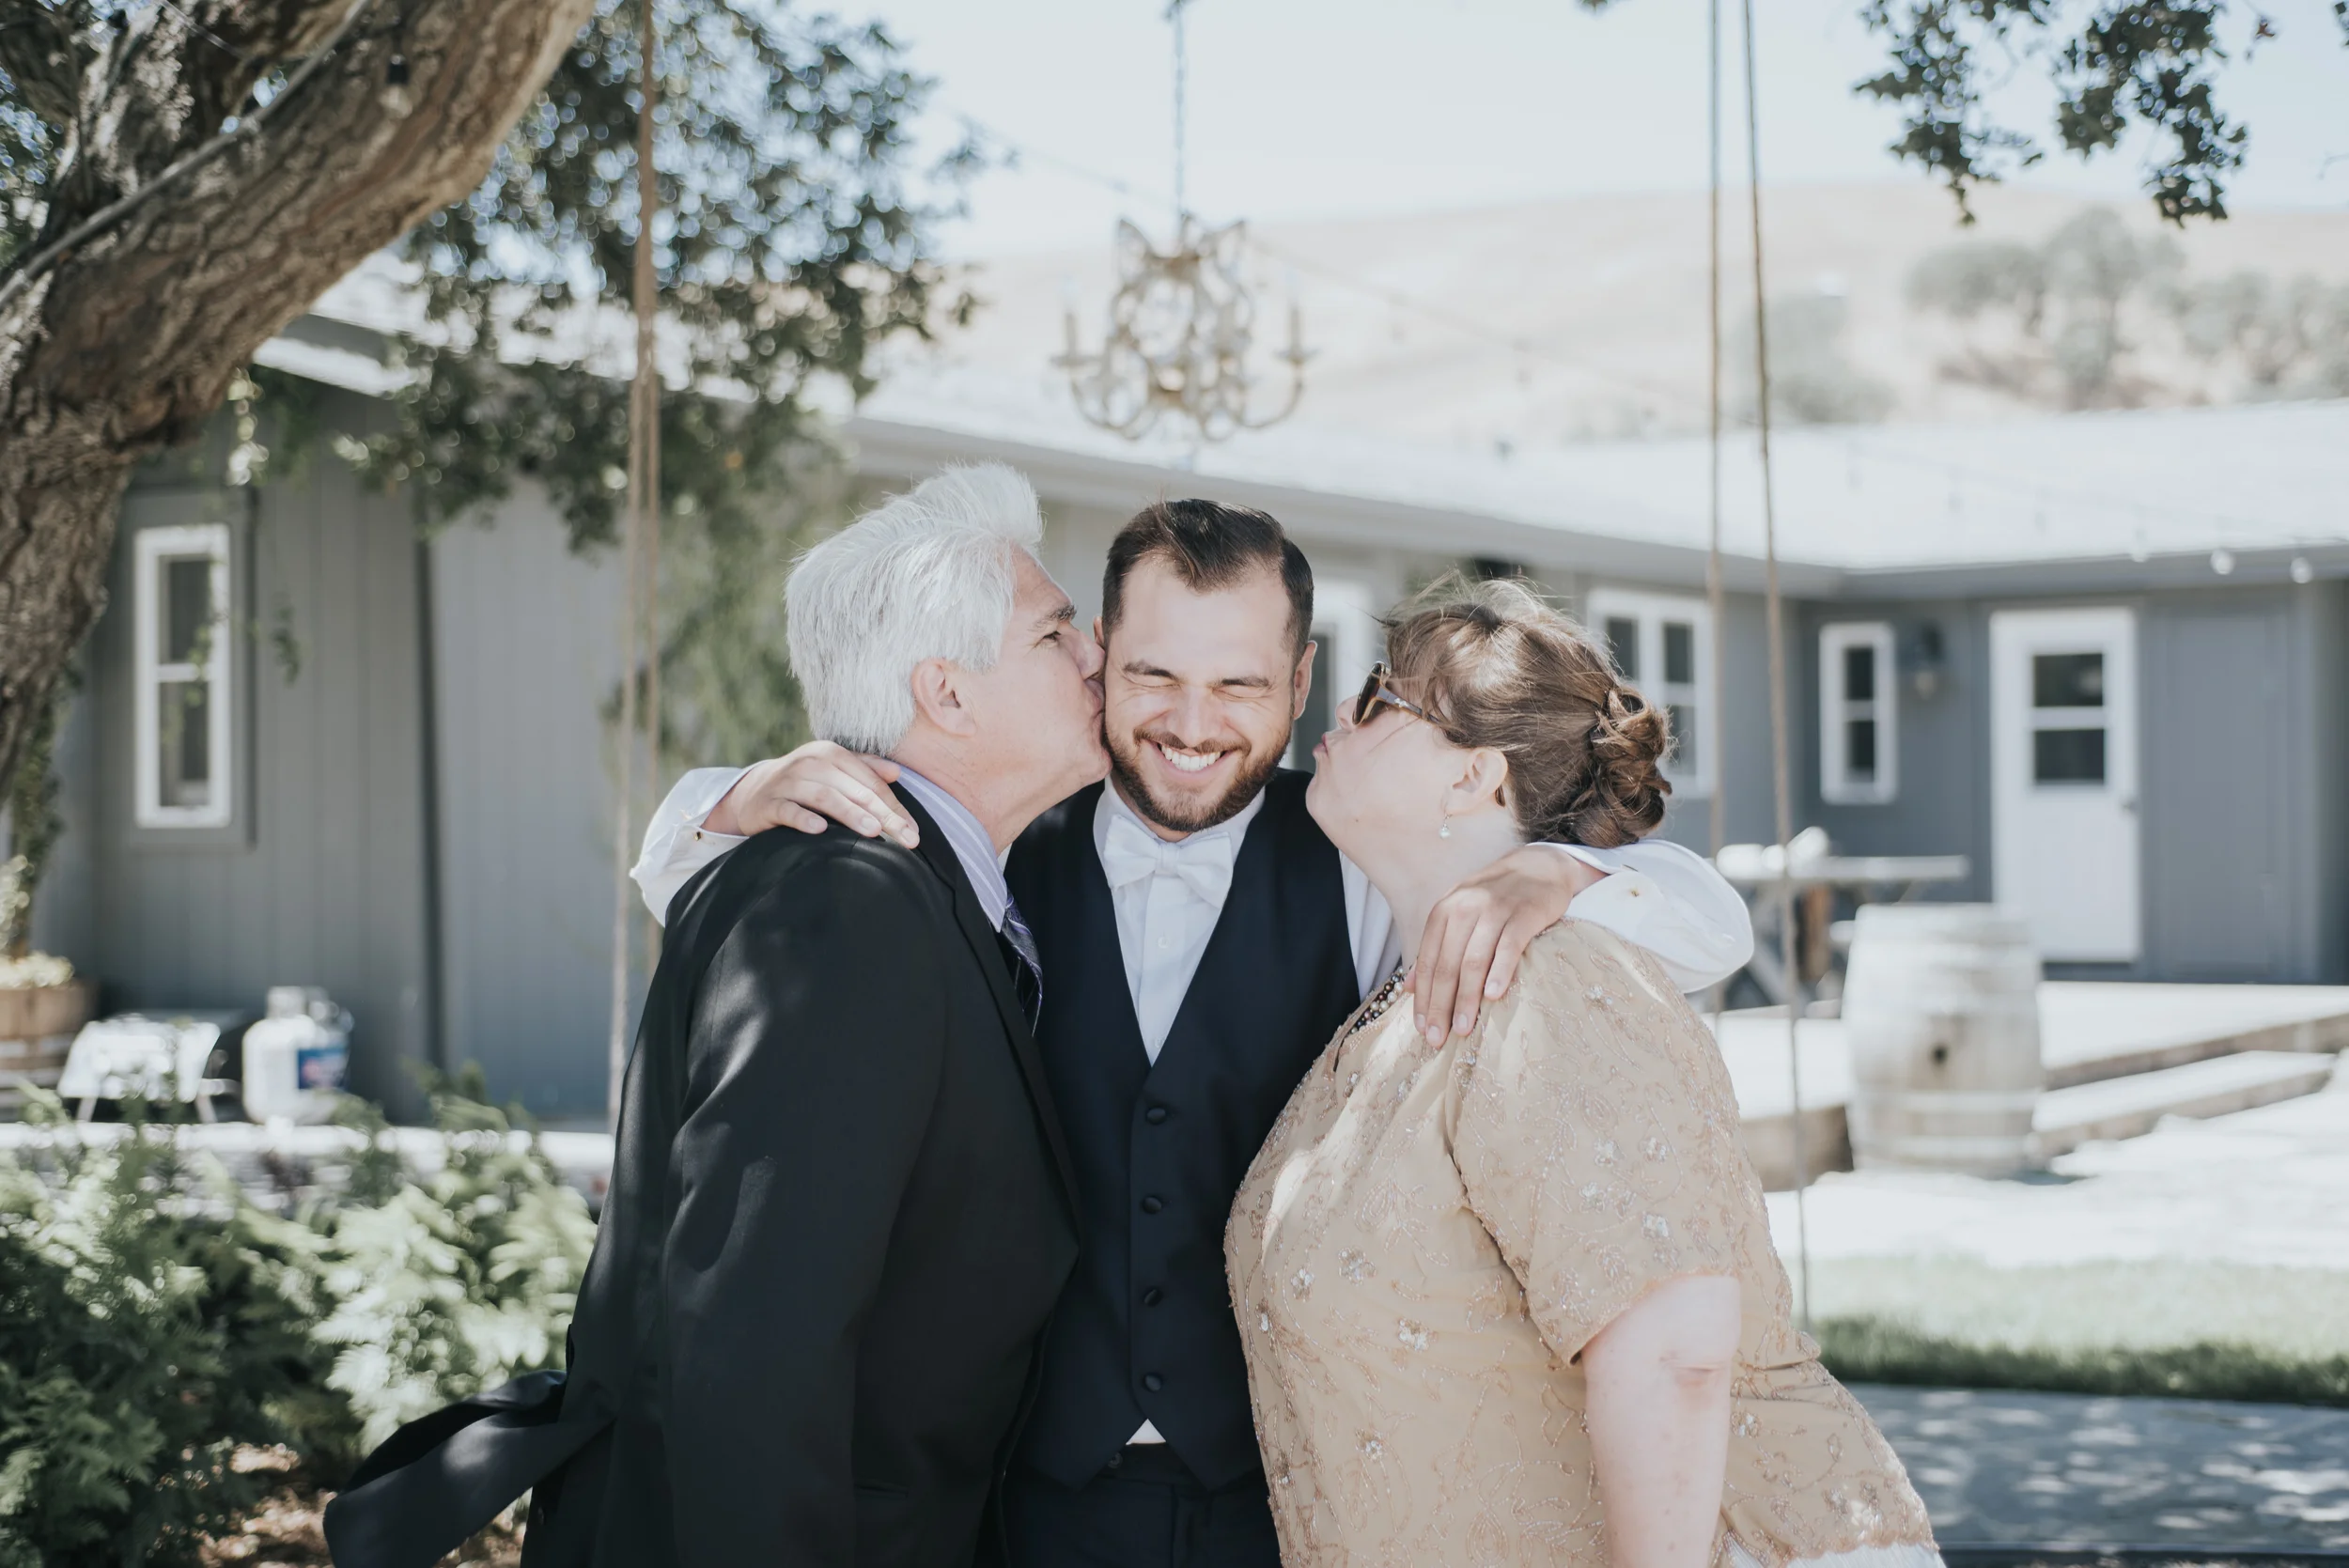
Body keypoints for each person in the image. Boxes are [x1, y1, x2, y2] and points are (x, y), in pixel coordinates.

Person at [636, 501, 1755, 1568]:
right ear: (1098, 657)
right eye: (1153, 674)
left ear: (1303, 679)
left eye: (1239, 684)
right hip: (1028, 1495)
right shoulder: (1000, 842)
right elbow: (718, 896)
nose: (1190, 722)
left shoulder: (1364, 856)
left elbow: (1706, 924)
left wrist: (1562, 868)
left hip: (1282, 1492)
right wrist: (730, 795)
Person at [324, 464, 1105, 1568]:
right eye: (1056, 634)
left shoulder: (896, 883)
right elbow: (750, 1331)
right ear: (949, 694)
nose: (1098, 655)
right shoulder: (851, 906)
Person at [1226, 577, 1938, 1568]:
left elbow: (1675, 1353)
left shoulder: (1560, 981)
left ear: (1471, 778)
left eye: (1383, 696)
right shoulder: (1405, 994)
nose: (1340, 712)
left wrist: (1568, 871)